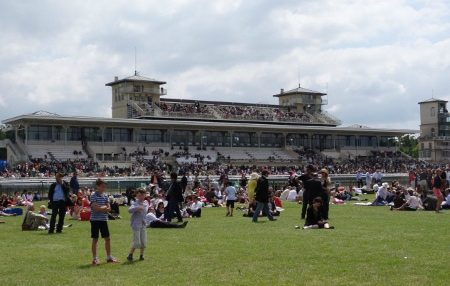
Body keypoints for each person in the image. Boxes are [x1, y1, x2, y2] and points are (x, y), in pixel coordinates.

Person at [90, 178, 119, 266]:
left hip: (103, 219)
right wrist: (104, 208)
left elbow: (109, 208)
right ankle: (94, 258)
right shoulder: (93, 196)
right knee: (95, 239)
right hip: (95, 220)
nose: (103, 188)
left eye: (104, 187)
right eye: (102, 187)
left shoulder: (105, 196)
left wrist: (102, 208)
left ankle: (109, 257)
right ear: (97, 186)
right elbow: (96, 209)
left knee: (107, 238)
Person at [127, 189, 149, 262]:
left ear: (145, 195)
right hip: (136, 225)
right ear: (137, 196)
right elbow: (129, 210)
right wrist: (137, 208)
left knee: (143, 241)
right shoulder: (135, 204)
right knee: (136, 241)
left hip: (143, 224)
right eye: (139, 195)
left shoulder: (146, 203)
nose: (141, 197)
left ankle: (141, 255)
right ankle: (130, 255)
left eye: (142, 195)